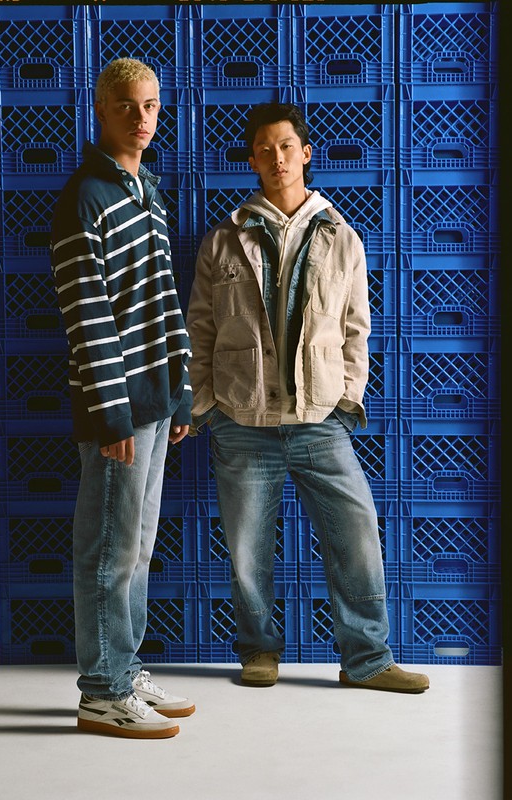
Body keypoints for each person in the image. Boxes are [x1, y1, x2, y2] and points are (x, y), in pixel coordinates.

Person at [186, 102, 429, 694]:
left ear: (305, 153)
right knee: (248, 547)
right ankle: (258, 651)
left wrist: (347, 399)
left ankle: (367, 659)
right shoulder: (223, 239)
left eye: (286, 147)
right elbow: (200, 328)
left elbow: (356, 329)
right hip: (243, 419)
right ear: (252, 160)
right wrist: (206, 404)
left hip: (320, 418)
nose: (277, 158)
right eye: (264, 150)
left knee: (357, 532)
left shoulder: (341, 236)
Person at [51, 58, 196, 739]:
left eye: (152, 105)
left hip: (157, 403)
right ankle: (102, 693)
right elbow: (88, 316)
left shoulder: (147, 193)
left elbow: (164, 302)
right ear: (102, 110)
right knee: (108, 552)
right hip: (119, 409)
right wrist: (111, 415)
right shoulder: (85, 196)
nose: (143, 118)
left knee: (136, 548)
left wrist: (181, 393)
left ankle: (124, 668)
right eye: (129, 106)